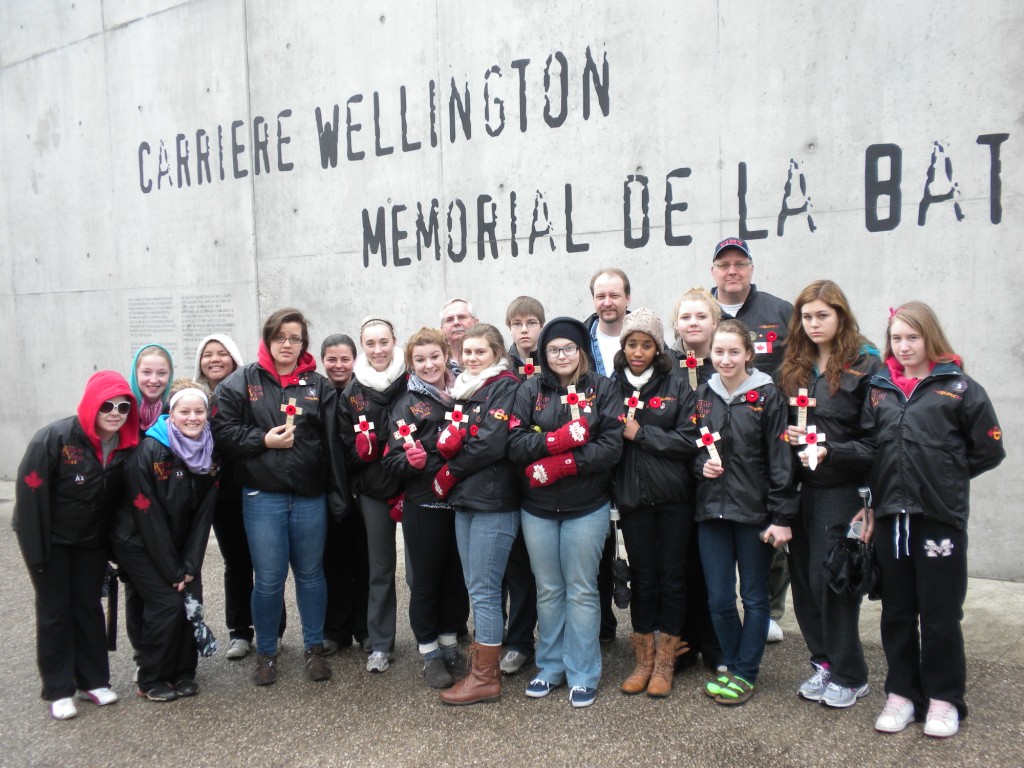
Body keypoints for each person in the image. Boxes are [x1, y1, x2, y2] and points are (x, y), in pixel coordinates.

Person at [863, 302, 1004, 738]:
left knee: (941, 614)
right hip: (891, 519)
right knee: (897, 612)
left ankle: (944, 700)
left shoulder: (960, 388)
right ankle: (902, 695)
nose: (903, 347)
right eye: (896, 338)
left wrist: (943, 480)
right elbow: (870, 450)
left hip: (939, 518)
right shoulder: (879, 389)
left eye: (912, 337)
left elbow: (987, 450)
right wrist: (869, 501)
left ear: (929, 338)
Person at [212, 307, 349, 686]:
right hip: (263, 497)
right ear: (268, 339)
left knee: (310, 575)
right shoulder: (241, 382)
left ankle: (314, 648)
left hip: (308, 497)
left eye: (295, 338)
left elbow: (332, 445)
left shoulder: (317, 386)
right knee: (269, 579)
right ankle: (267, 652)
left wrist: (336, 494)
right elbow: (224, 432)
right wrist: (262, 440)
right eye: (280, 338)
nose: (287, 345)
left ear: (303, 343)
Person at [508, 317, 624, 708]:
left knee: (581, 590)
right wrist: (556, 441)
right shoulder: (530, 390)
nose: (561, 356)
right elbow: (516, 442)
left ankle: (583, 672)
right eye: (554, 349)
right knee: (549, 590)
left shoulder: (602, 389)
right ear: (543, 353)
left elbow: (610, 447)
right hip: (538, 508)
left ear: (582, 352)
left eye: (569, 348)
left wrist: (565, 464)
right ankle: (551, 666)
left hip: (586, 506)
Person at [776, 281, 882, 709]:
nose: (814, 324)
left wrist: (830, 449)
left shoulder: (866, 364)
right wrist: (790, 434)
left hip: (840, 489)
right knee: (802, 582)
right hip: (800, 490)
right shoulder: (795, 367)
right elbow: (780, 430)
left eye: (823, 315)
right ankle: (822, 662)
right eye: (807, 316)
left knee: (834, 582)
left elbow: (876, 443)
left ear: (840, 315)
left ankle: (851, 673)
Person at [13, 371, 139, 720]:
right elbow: (30, 498)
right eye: (107, 405)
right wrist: (37, 553)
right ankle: (58, 688)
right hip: (50, 540)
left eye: (123, 406)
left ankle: (93, 681)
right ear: (91, 405)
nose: (115, 413)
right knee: (55, 611)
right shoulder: (53, 439)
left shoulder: (126, 446)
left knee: (87, 608)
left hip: (90, 541)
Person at [694, 319, 797, 705]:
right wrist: (699, 466)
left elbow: (780, 458)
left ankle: (745, 672)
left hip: (754, 514)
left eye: (733, 351)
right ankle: (736, 663)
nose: (725, 359)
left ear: (749, 354)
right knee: (719, 598)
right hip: (712, 513)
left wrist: (781, 515)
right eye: (718, 351)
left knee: (753, 598)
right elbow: (694, 447)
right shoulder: (703, 394)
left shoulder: (768, 396)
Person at [710, 238, 794, 643]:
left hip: (765, 431)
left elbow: (800, 361)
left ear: (751, 268)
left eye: (739, 264)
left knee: (766, 542)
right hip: (718, 444)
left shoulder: (779, 312)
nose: (732, 271)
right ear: (713, 271)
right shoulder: (702, 311)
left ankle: (770, 612)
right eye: (724, 264)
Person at [612, 309, 699, 698]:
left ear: (658, 348)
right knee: (643, 578)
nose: (638, 351)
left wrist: (641, 434)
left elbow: (689, 440)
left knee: (672, 577)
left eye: (646, 344)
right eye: (632, 343)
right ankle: (643, 660)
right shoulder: (611, 386)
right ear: (623, 346)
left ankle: (666, 663)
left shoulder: (676, 385)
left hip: (673, 499)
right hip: (633, 500)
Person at [113, 380, 218, 701]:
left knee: (190, 601)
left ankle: (184, 671)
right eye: (184, 411)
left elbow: (203, 517)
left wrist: (189, 565)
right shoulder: (149, 452)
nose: (192, 417)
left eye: (199, 411)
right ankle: (151, 676)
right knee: (167, 604)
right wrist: (174, 570)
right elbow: (148, 517)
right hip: (139, 542)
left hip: (181, 542)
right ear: (171, 415)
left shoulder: (210, 453)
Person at [435, 324, 521, 705]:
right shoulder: (463, 391)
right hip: (467, 501)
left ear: (496, 353)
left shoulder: (504, 386)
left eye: (479, 352)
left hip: (493, 501)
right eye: (466, 352)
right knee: (477, 588)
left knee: (485, 590)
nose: (471, 358)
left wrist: (451, 470)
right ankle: (480, 667)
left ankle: (485, 678)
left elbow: (490, 442)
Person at [382, 328, 470, 690]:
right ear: (410, 364)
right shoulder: (406, 405)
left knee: (456, 579)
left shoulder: (464, 392)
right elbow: (393, 462)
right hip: (426, 504)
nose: (428, 364)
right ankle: (430, 651)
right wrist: (412, 463)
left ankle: (450, 642)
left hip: (461, 503)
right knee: (427, 581)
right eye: (420, 359)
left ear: (445, 354)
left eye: (434, 356)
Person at [194, 334, 274, 661]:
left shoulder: (250, 389)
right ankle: (240, 631)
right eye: (208, 354)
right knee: (236, 562)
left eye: (222, 353)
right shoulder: (194, 396)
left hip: (255, 485)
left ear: (234, 358)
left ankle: (273, 628)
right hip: (221, 493)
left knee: (267, 563)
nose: (214, 359)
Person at [339, 318, 407, 674]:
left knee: (419, 571)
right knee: (380, 568)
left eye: (384, 342)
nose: (378, 350)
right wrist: (360, 452)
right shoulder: (353, 391)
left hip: (412, 487)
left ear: (395, 341)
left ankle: (442, 635)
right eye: (371, 343)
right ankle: (381, 644)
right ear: (362, 347)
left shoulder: (411, 381)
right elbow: (344, 448)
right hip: (373, 492)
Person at [584, 268, 632, 644]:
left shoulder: (643, 339)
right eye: (601, 295)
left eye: (614, 295)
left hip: (637, 456)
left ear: (627, 299)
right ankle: (601, 625)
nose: (607, 302)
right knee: (597, 546)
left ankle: (648, 632)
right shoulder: (580, 344)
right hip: (595, 456)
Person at [500, 296, 545, 675]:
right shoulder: (503, 368)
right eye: (517, 324)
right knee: (515, 568)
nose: (525, 330)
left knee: (543, 568)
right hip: (510, 479)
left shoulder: (557, 362)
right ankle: (516, 642)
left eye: (532, 322)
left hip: (549, 476)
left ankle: (550, 638)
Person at [320, 334, 370, 654]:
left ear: (355, 360)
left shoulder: (364, 392)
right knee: (332, 563)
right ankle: (335, 630)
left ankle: (365, 628)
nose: (338, 366)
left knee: (365, 562)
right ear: (323, 361)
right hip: (327, 491)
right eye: (331, 359)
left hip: (362, 490)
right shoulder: (317, 393)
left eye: (344, 359)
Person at [671, 286, 720, 389]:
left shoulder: (725, 363)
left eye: (701, 317)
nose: (693, 323)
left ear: (714, 323)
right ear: (676, 324)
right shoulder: (664, 364)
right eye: (685, 317)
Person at [130, 344, 174, 433]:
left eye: (161, 373)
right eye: (146, 372)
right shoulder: (123, 409)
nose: (153, 380)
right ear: (136, 374)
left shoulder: (177, 409)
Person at [440, 298, 478, 373]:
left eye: (462, 317)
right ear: (442, 329)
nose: (456, 322)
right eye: (449, 319)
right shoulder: (435, 363)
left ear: (476, 323)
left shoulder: (494, 358)